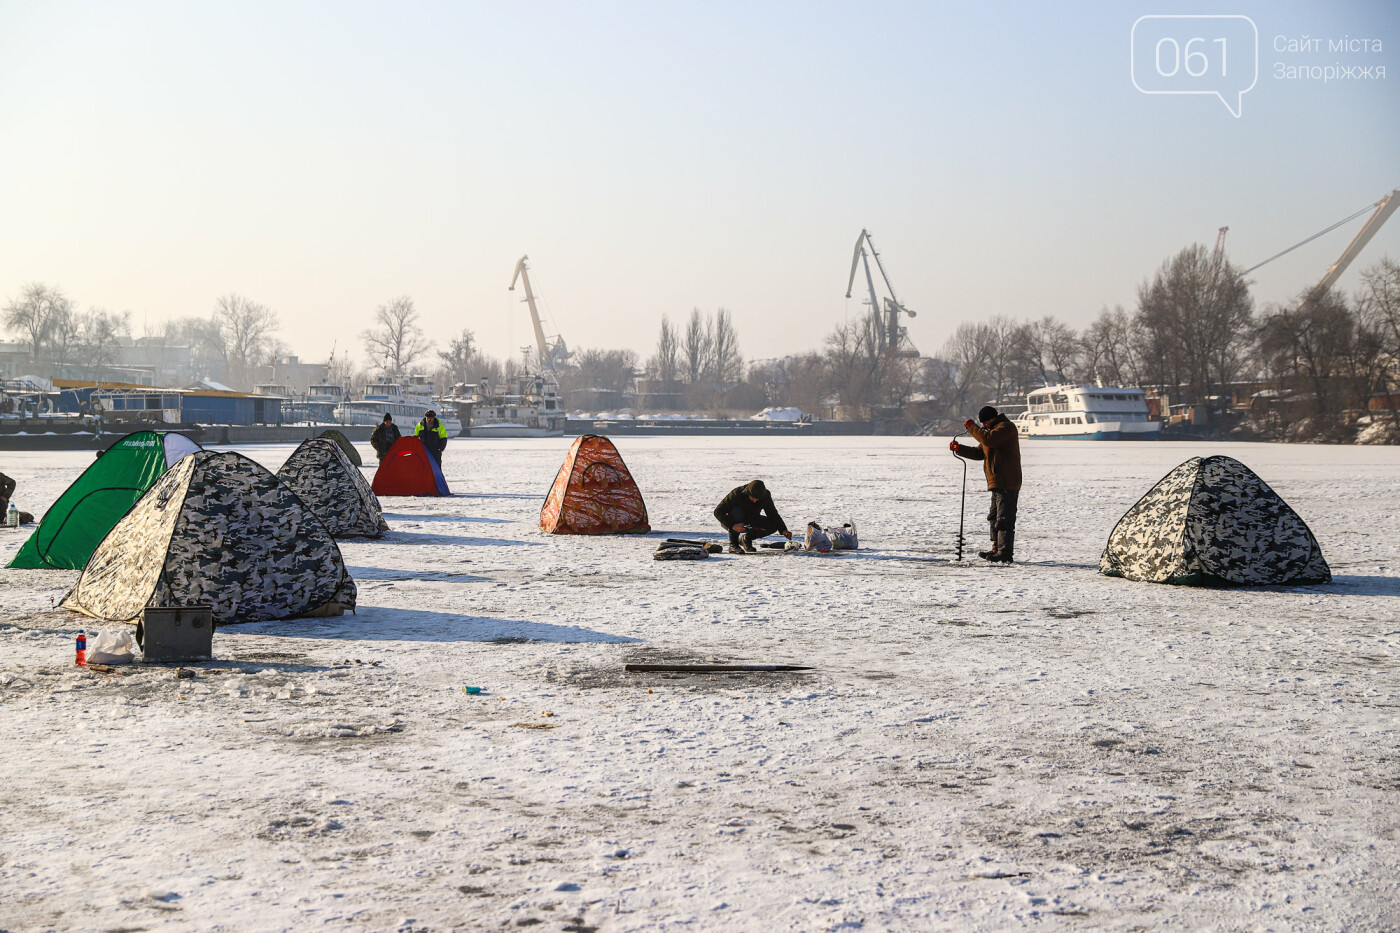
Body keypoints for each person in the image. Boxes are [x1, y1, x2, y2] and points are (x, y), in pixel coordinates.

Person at [951, 405, 1022, 563]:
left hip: (1007, 481)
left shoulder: (1006, 428)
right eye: (981, 423)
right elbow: (979, 452)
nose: (983, 426)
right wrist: (959, 449)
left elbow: (988, 440)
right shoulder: (991, 432)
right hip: (996, 481)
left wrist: (971, 427)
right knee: (994, 517)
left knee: (1004, 519)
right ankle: (996, 548)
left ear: (993, 418)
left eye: (985, 422)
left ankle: (1005, 553)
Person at [713, 479, 793, 554]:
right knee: (736, 512)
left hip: (750, 523)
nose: (755, 501)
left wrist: (783, 530)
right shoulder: (737, 493)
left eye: (757, 499)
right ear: (748, 493)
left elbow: (773, 514)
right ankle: (733, 545)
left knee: (773, 525)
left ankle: (746, 539)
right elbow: (718, 511)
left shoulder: (765, 496)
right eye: (753, 498)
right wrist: (732, 525)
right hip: (733, 521)